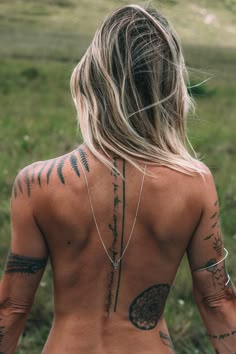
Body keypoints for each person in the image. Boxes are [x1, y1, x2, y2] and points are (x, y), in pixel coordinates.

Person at [0, 4, 235, 353]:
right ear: (168, 89)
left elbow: (13, 308)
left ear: (92, 79)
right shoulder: (193, 183)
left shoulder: (36, 184)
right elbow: (217, 302)